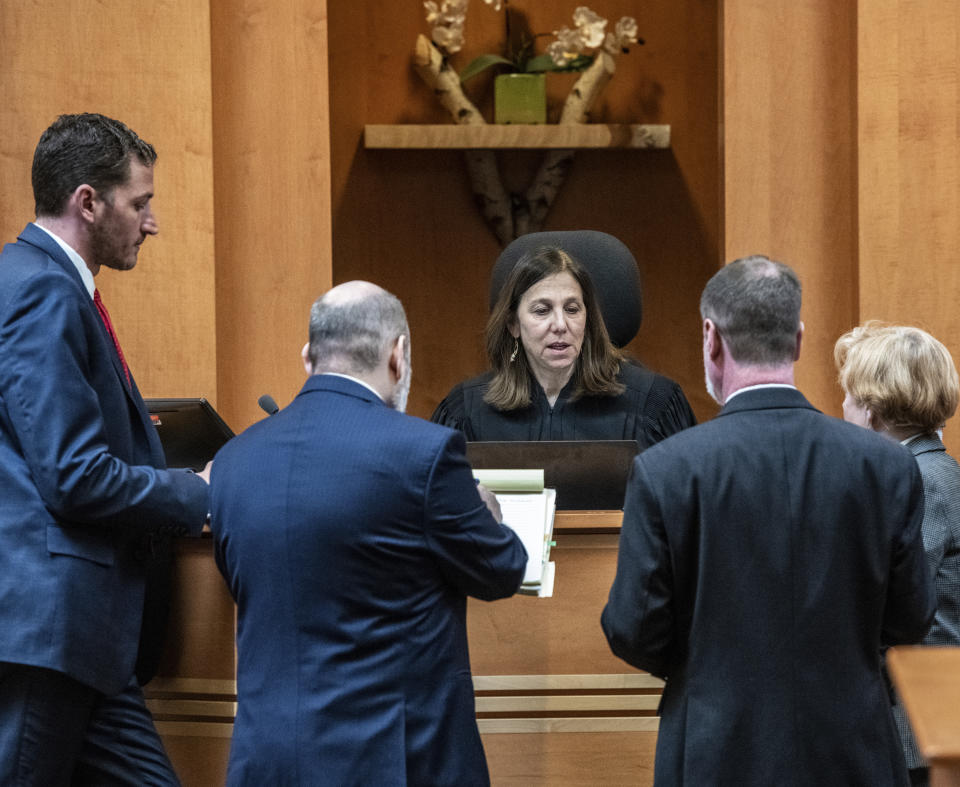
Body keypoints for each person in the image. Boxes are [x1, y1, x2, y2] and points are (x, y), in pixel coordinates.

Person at [601, 255, 935, 786]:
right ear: (799, 339)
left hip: (715, 751)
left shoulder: (666, 470)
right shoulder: (886, 466)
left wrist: (706, 667)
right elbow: (910, 617)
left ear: (711, 338)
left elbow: (633, 628)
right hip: (853, 752)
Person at [209, 281, 527, 785]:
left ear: (308, 357)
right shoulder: (426, 454)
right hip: (391, 762)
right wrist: (487, 510)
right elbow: (501, 570)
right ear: (397, 354)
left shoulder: (232, 462)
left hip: (264, 762)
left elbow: (240, 581)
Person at [0, 113, 211, 785]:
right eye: (140, 203)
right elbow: (73, 474)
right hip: (47, 634)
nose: (152, 222)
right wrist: (196, 490)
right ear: (88, 202)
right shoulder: (41, 290)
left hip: (81, 643)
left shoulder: (39, 282)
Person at [835, 322, 960, 787]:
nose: (842, 406)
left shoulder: (921, 481)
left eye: (848, 395)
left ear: (872, 409)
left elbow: (895, 604)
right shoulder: (930, 472)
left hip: (918, 720)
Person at [432, 235, 696, 445]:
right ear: (513, 324)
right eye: (542, 310)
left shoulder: (654, 405)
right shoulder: (466, 412)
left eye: (572, 309)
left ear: (587, 318)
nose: (560, 325)